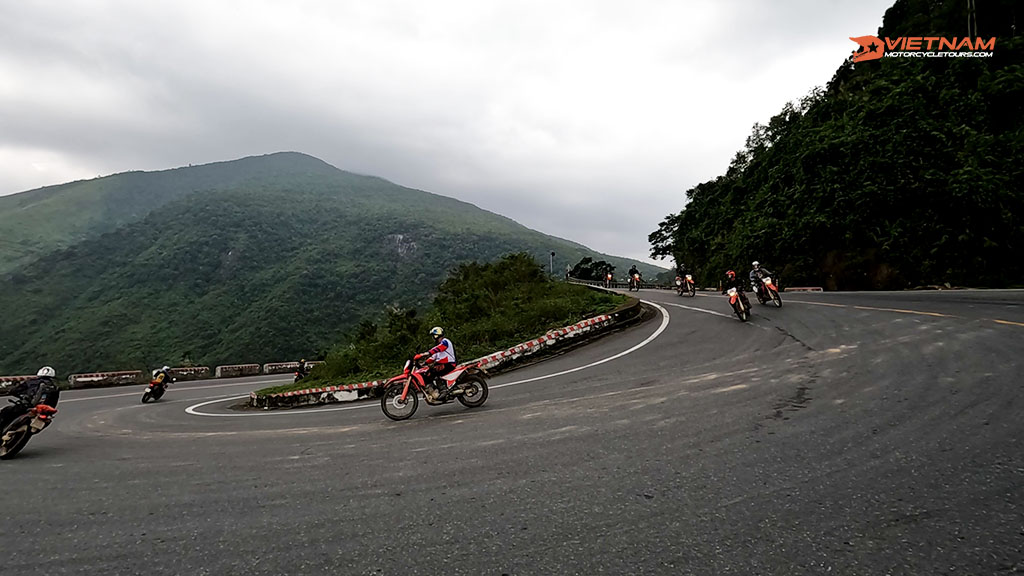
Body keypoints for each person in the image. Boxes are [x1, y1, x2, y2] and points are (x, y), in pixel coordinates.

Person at [0, 366, 61, 433]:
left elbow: (15, 390)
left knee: (6, 411)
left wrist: (13, 392)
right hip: (44, 410)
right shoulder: (54, 387)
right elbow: (55, 401)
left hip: (28, 405)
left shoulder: (31, 381)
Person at [414, 326, 457, 401]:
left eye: (433, 336)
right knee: (427, 372)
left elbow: (440, 348)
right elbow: (433, 357)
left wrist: (425, 353)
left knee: (433, 372)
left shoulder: (445, 341)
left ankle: (443, 391)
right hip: (443, 364)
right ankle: (434, 390)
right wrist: (424, 363)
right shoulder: (438, 346)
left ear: (436, 335)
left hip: (449, 364)